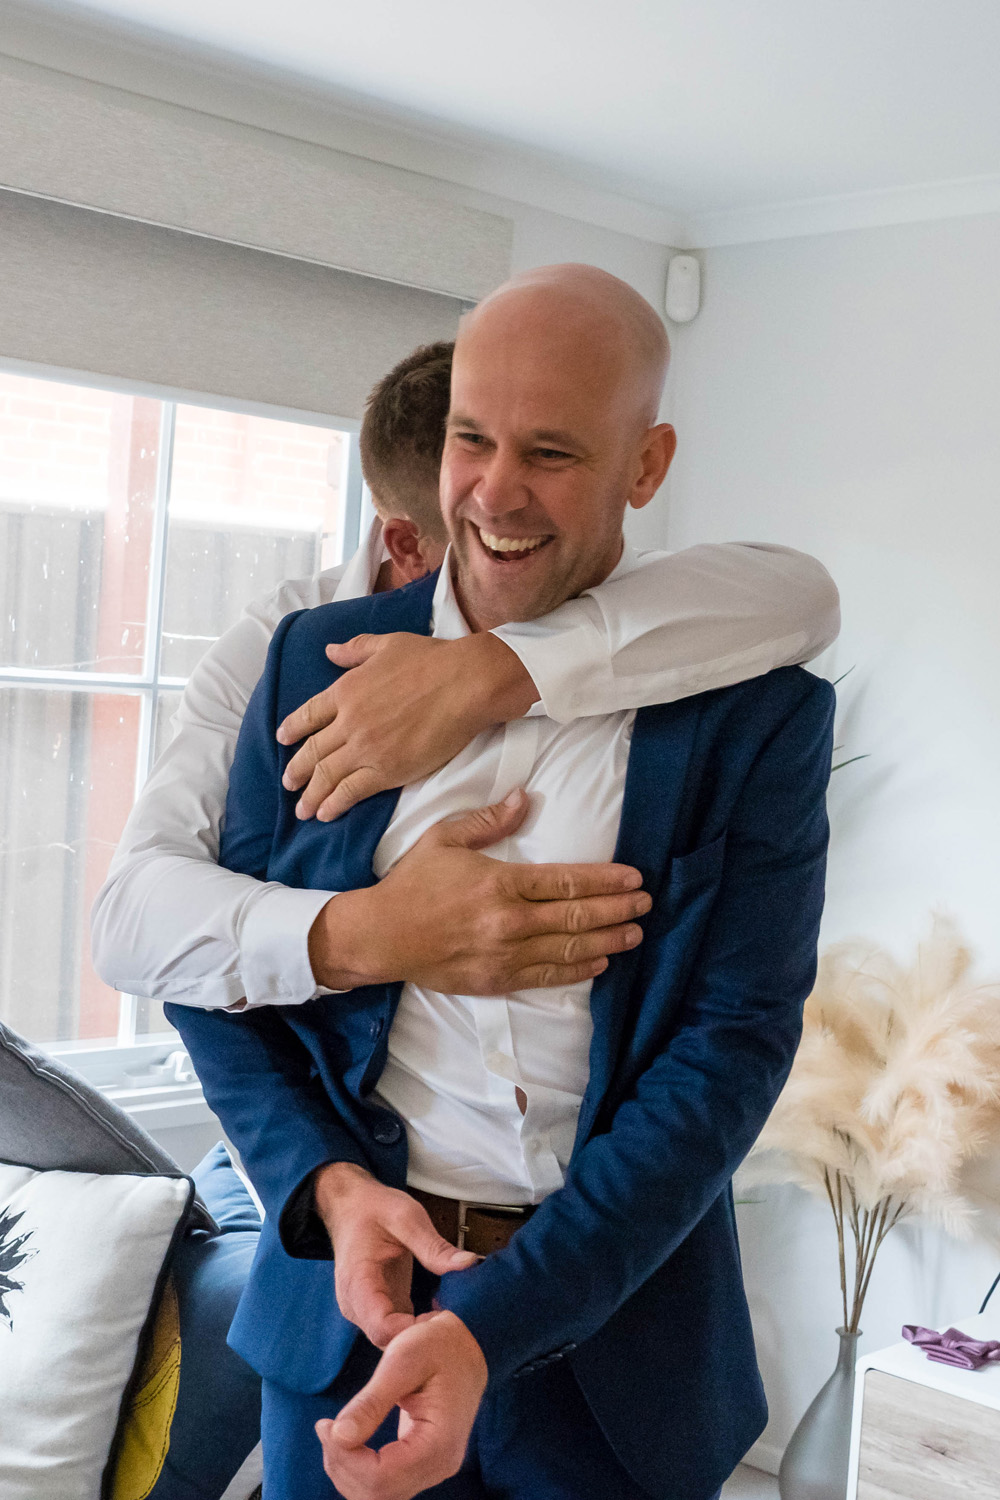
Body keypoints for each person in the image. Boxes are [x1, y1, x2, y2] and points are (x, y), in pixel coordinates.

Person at [161, 264, 835, 1500]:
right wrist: (327, 1188)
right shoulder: (310, 660)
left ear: (646, 464)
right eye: (471, 439)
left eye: (552, 452)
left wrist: (497, 1321)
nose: (495, 492)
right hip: (342, 1322)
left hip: (617, 1360)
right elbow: (215, 971)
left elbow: (731, 1048)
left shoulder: (757, 712)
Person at [92, 339, 838, 1016]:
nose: (509, 510)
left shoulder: (651, 609)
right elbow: (135, 923)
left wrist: (490, 671)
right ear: (406, 542)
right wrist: (369, 934)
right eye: (483, 533)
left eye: (551, 457)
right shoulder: (278, 648)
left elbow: (802, 597)